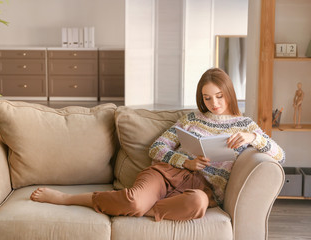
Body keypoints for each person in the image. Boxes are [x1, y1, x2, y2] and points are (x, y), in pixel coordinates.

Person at [30, 68, 285, 222]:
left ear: (229, 92)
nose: (214, 103)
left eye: (219, 96)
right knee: (133, 201)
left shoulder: (245, 125)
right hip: (167, 174)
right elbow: (156, 149)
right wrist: (185, 161)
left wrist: (255, 138)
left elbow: (279, 155)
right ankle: (67, 199)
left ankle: (134, 207)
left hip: (202, 189)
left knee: (197, 204)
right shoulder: (191, 119)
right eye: (207, 98)